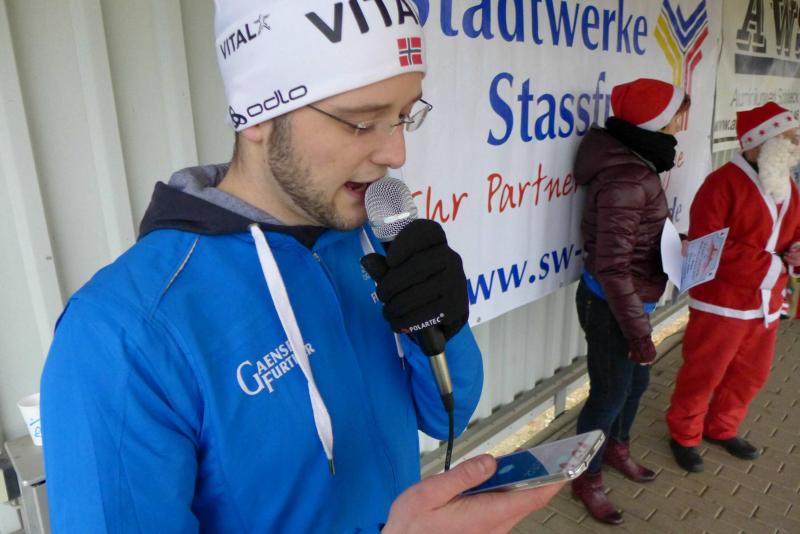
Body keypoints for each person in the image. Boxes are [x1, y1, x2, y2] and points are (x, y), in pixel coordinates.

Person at [40, 0, 563, 532]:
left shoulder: (369, 237)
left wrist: (445, 326)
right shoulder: (121, 335)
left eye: (405, 116)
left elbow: (445, 411)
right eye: (362, 122)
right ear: (257, 114)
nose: (396, 152)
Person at [571, 78, 690, 524]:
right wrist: (639, 334)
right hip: (613, 307)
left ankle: (617, 449)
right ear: (655, 121)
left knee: (634, 386)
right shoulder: (628, 176)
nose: (682, 123)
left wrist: (679, 242)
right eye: (677, 114)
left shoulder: (637, 160)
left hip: (630, 302)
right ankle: (586, 477)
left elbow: (637, 236)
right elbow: (612, 267)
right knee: (608, 396)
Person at [667, 102, 800, 473]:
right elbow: (709, 245)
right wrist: (774, 265)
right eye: (789, 139)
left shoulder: (786, 184)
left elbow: (793, 233)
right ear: (762, 143)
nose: (795, 146)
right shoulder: (721, 184)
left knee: (751, 374)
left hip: (765, 302)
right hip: (722, 302)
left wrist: (795, 251)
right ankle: (684, 434)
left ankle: (721, 427)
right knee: (703, 373)